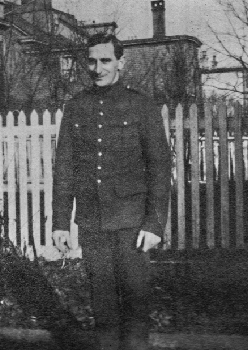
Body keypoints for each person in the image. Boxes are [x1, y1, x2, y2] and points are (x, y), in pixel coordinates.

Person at [52, 33, 171, 350]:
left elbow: (159, 167)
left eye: (105, 60)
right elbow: (64, 167)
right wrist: (61, 222)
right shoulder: (76, 107)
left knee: (135, 308)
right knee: (103, 309)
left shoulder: (141, 106)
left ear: (121, 62)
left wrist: (154, 224)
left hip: (132, 224)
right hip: (92, 224)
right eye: (91, 61)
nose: (97, 68)